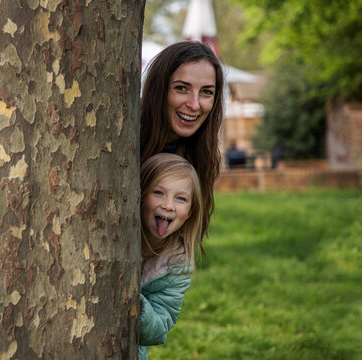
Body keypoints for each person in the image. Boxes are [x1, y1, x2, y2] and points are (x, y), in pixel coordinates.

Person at [140, 41, 225, 251]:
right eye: (181, 88)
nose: (195, 105)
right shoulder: (126, 138)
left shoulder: (195, 154)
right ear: (159, 88)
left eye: (206, 92)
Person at [139, 153, 204, 360]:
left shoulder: (177, 266)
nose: (168, 205)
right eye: (158, 192)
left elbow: (159, 329)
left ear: (191, 212)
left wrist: (136, 304)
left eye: (180, 198)